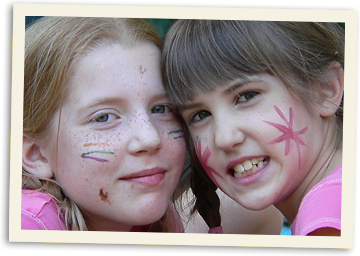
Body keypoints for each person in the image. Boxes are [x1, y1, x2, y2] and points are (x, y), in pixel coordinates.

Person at [162, 20, 343, 236]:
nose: (224, 137)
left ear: (325, 90)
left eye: (247, 96)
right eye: (200, 115)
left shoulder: (327, 222)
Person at [22, 17, 186, 231]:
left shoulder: (163, 220)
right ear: (36, 154)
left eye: (160, 109)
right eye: (103, 117)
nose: (150, 138)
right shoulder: (27, 223)